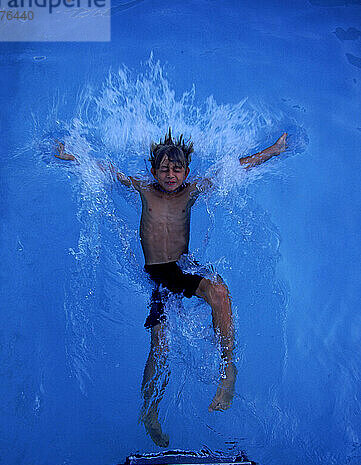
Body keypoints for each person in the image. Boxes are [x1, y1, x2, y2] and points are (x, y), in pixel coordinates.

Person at [56, 129, 287, 447]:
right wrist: (73, 157)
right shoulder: (143, 189)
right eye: (164, 169)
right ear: (153, 171)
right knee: (159, 347)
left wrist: (272, 151)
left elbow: (234, 169)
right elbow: (109, 171)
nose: (170, 174)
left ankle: (228, 369)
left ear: (186, 172)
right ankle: (150, 412)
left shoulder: (190, 193)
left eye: (176, 169)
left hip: (184, 269)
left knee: (219, 293)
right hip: (158, 275)